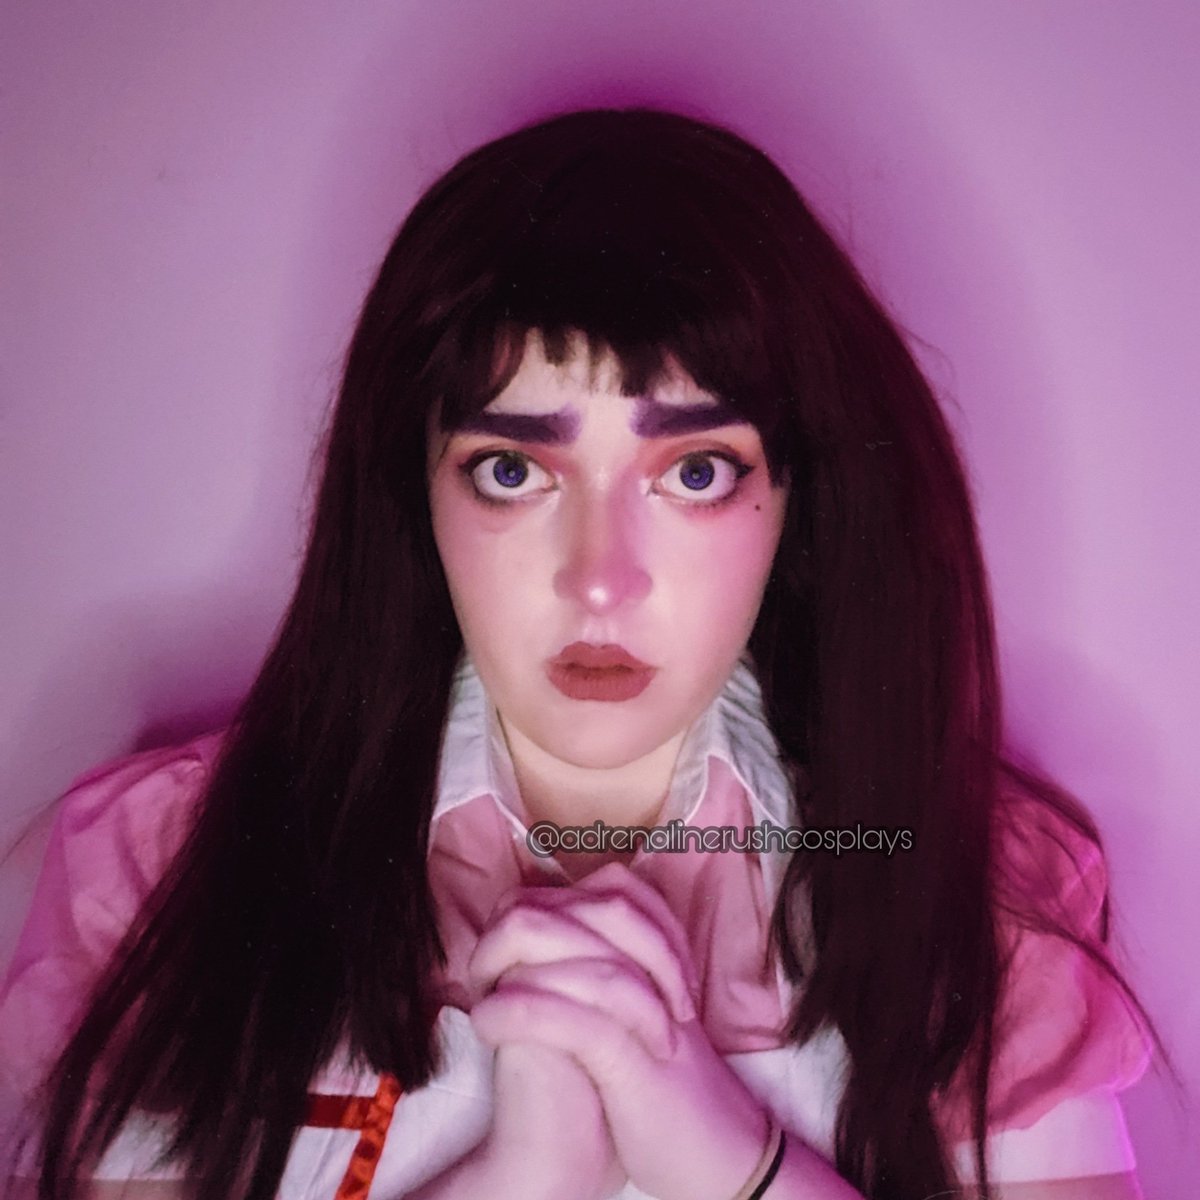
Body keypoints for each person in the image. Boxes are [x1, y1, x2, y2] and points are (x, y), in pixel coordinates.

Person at [0, 107, 1158, 1200]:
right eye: (513, 471)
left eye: (695, 471)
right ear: (415, 493)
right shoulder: (162, 870)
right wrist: (512, 1180)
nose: (600, 578)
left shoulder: (981, 891)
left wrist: (735, 1160)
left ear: (798, 500)